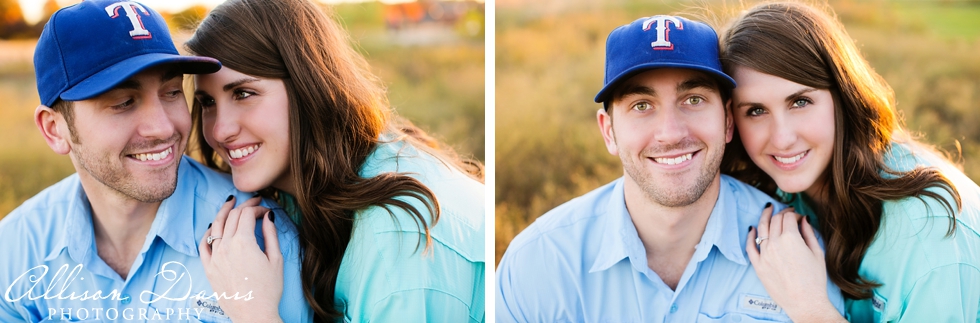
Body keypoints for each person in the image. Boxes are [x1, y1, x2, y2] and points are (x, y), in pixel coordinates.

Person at [495, 15, 844, 322]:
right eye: (642, 105)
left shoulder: (800, 257)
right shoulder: (539, 262)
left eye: (693, 100)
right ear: (608, 131)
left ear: (727, 121)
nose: (671, 133)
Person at [0, 1, 312, 322]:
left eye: (172, 92)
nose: (163, 127)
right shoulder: (14, 253)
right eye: (124, 102)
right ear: (54, 129)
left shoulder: (266, 245)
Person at [184, 0, 486, 321]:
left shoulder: (397, 239)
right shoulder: (311, 185)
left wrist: (253, 312)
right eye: (207, 102)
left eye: (244, 93)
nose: (220, 129)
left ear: (307, 84)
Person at [720, 2, 980, 322]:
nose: (782, 138)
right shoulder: (769, 193)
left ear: (843, 95)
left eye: (800, 102)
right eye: (756, 111)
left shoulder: (929, 229)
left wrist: (809, 306)